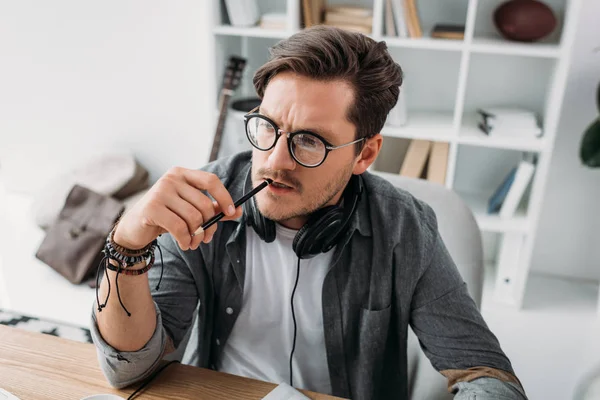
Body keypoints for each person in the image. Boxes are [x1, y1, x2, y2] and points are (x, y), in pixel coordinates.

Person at [91, 26, 527, 399]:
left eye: (309, 141)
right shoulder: (202, 200)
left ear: (365, 154)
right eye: (267, 126)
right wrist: (127, 243)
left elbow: (483, 372)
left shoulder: (406, 227)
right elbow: (130, 370)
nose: (274, 160)